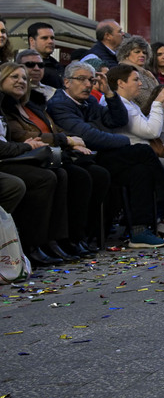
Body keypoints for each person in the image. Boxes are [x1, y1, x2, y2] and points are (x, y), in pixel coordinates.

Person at [47, 61, 164, 248]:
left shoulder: (91, 101)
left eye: (91, 80)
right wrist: (127, 141)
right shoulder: (60, 103)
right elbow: (89, 136)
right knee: (142, 151)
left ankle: (140, 231)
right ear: (67, 82)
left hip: (99, 154)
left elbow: (116, 119)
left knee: (140, 171)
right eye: (82, 79)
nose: (88, 84)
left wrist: (109, 93)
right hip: (80, 157)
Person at [0, 62, 109, 264]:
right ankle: (34, 243)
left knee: (86, 173)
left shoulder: (32, 104)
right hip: (16, 157)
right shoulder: (4, 107)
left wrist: (70, 140)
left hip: (40, 154)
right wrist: (65, 141)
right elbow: (19, 135)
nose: (21, 81)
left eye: (24, 78)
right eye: (14, 77)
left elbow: (55, 128)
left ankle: (65, 239)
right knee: (49, 177)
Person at [26, 22, 63, 89]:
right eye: (45, 38)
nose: (50, 41)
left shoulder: (57, 65)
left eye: (52, 38)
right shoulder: (25, 65)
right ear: (32, 41)